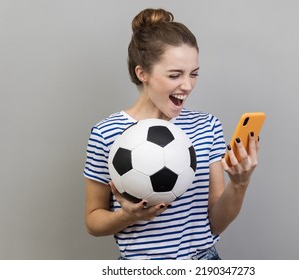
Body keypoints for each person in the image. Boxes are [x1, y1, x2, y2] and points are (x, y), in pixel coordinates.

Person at [84, 8, 259, 260]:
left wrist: (240, 184)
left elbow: (215, 223)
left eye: (194, 74)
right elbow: (93, 221)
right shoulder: (106, 133)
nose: (187, 85)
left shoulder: (206, 126)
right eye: (175, 75)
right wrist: (127, 215)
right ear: (142, 73)